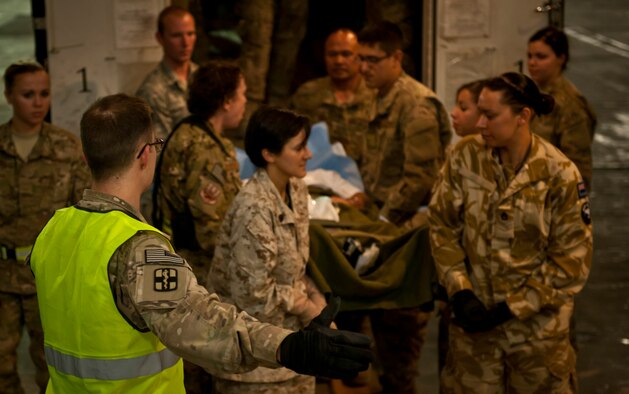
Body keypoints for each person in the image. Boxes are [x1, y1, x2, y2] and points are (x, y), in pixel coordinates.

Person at [28, 94, 373, 393]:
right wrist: (289, 346)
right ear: (145, 156)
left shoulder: (52, 231)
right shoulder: (138, 249)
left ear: (86, 158)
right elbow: (203, 324)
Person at [428, 72, 592, 392]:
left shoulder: (560, 174)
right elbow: (442, 225)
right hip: (474, 337)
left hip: (536, 340)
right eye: (479, 113)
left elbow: (571, 261)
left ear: (523, 116)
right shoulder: (465, 157)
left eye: (489, 116)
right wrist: (460, 290)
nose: (479, 124)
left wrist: (509, 308)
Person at [207, 107, 328, 393]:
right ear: (269, 154)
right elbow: (253, 295)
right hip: (254, 363)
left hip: (292, 349)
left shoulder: (296, 189)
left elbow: (295, 267)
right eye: (298, 148)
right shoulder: (254, 207)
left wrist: (317, 302)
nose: (308, 154)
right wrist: (308, 308)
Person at [153, 61, 246, 393]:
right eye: (242, 94)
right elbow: (212, 230)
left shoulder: (190, 131)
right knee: (202, 365)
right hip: (203, 271)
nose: (245, 102)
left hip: (187, 263)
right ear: (225, 100)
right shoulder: (205, 149)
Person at [0, 62, 91, 394]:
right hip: (2, 276)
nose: (38, 103)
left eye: (44, 94)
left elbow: (83, 213)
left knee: (53, 365)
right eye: (27, 95)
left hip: (49, 277)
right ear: (8, 95)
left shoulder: (66, 147)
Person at [357, 21, 451, 229]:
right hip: (376, 207)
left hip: (405, 217)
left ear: (396, 58)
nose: (363, 68)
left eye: (372, 60)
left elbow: (420, 179)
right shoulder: (378, 94)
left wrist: (385, 218)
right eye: (361, 59)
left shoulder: (417, 104)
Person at [290, 28, 374, 164]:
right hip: (318, 177)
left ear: (359, 57)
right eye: (332, 54)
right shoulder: (307, 94)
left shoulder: (375, 94)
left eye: (346, 54)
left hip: (368, 178)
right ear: (324, 57)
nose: (339, 61)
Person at [528, 26, 596, 190]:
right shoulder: (534, 95)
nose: (532, 62)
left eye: (541, 57)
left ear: (561, 58)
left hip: (554, 196)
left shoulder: (570, 104)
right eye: (529, 56)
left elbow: (578, 165)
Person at [136, 5, 198, 140]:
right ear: (160, 38)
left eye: (190, 34)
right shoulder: (152, 90)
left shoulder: (202, 76)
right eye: (176, 36)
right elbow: (162, 149)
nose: (186, 43)